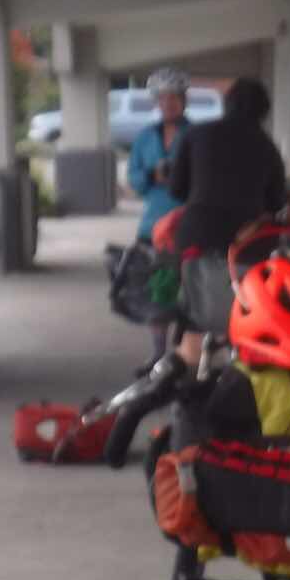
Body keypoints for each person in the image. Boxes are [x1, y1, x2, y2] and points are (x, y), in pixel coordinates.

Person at [169, 77, 286, 370]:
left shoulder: (196, 134)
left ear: (227, 104)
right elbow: (277, 203)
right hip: (245, 244)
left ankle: (187, 374)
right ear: (264, 112)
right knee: (244, 311)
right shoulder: (267, 147)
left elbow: (176, 189)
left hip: (196, 237)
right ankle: (237, 373)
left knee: (195, 315)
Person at [125, 67, 192, 364]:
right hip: (154, 225)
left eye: (174, 98)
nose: (168, 104)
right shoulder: (145, 138)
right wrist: (153, 174)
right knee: (159, 290)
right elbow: (134, 179)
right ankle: (158, 354)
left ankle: (183, 353)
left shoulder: (196, 135)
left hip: (187, 224)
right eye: (163, 99)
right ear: (156, 102)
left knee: (190, 291)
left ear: (184, 100)